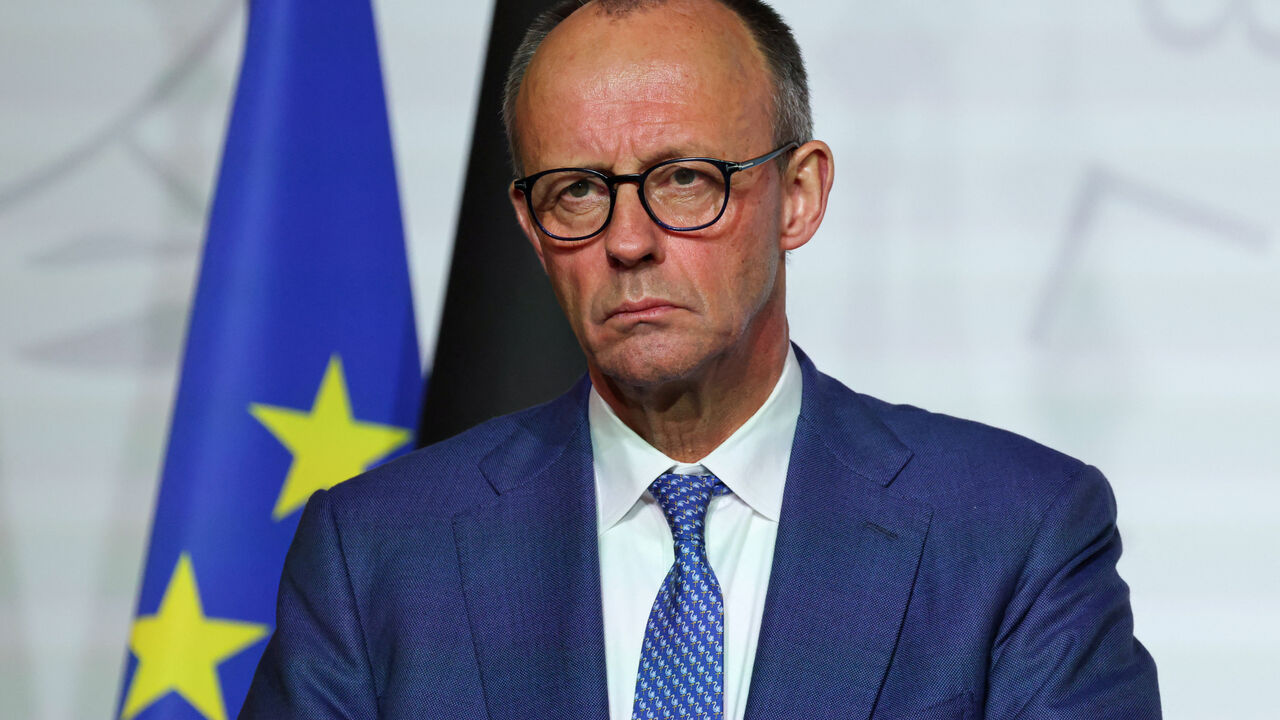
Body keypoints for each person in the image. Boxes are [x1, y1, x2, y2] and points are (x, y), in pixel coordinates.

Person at [241, 0, 1161, 718]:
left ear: (798, 195)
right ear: (530, 226)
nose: (627, 241)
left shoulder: (1015, 534)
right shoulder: (375, 557)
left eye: (684, 178)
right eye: (577, 191)